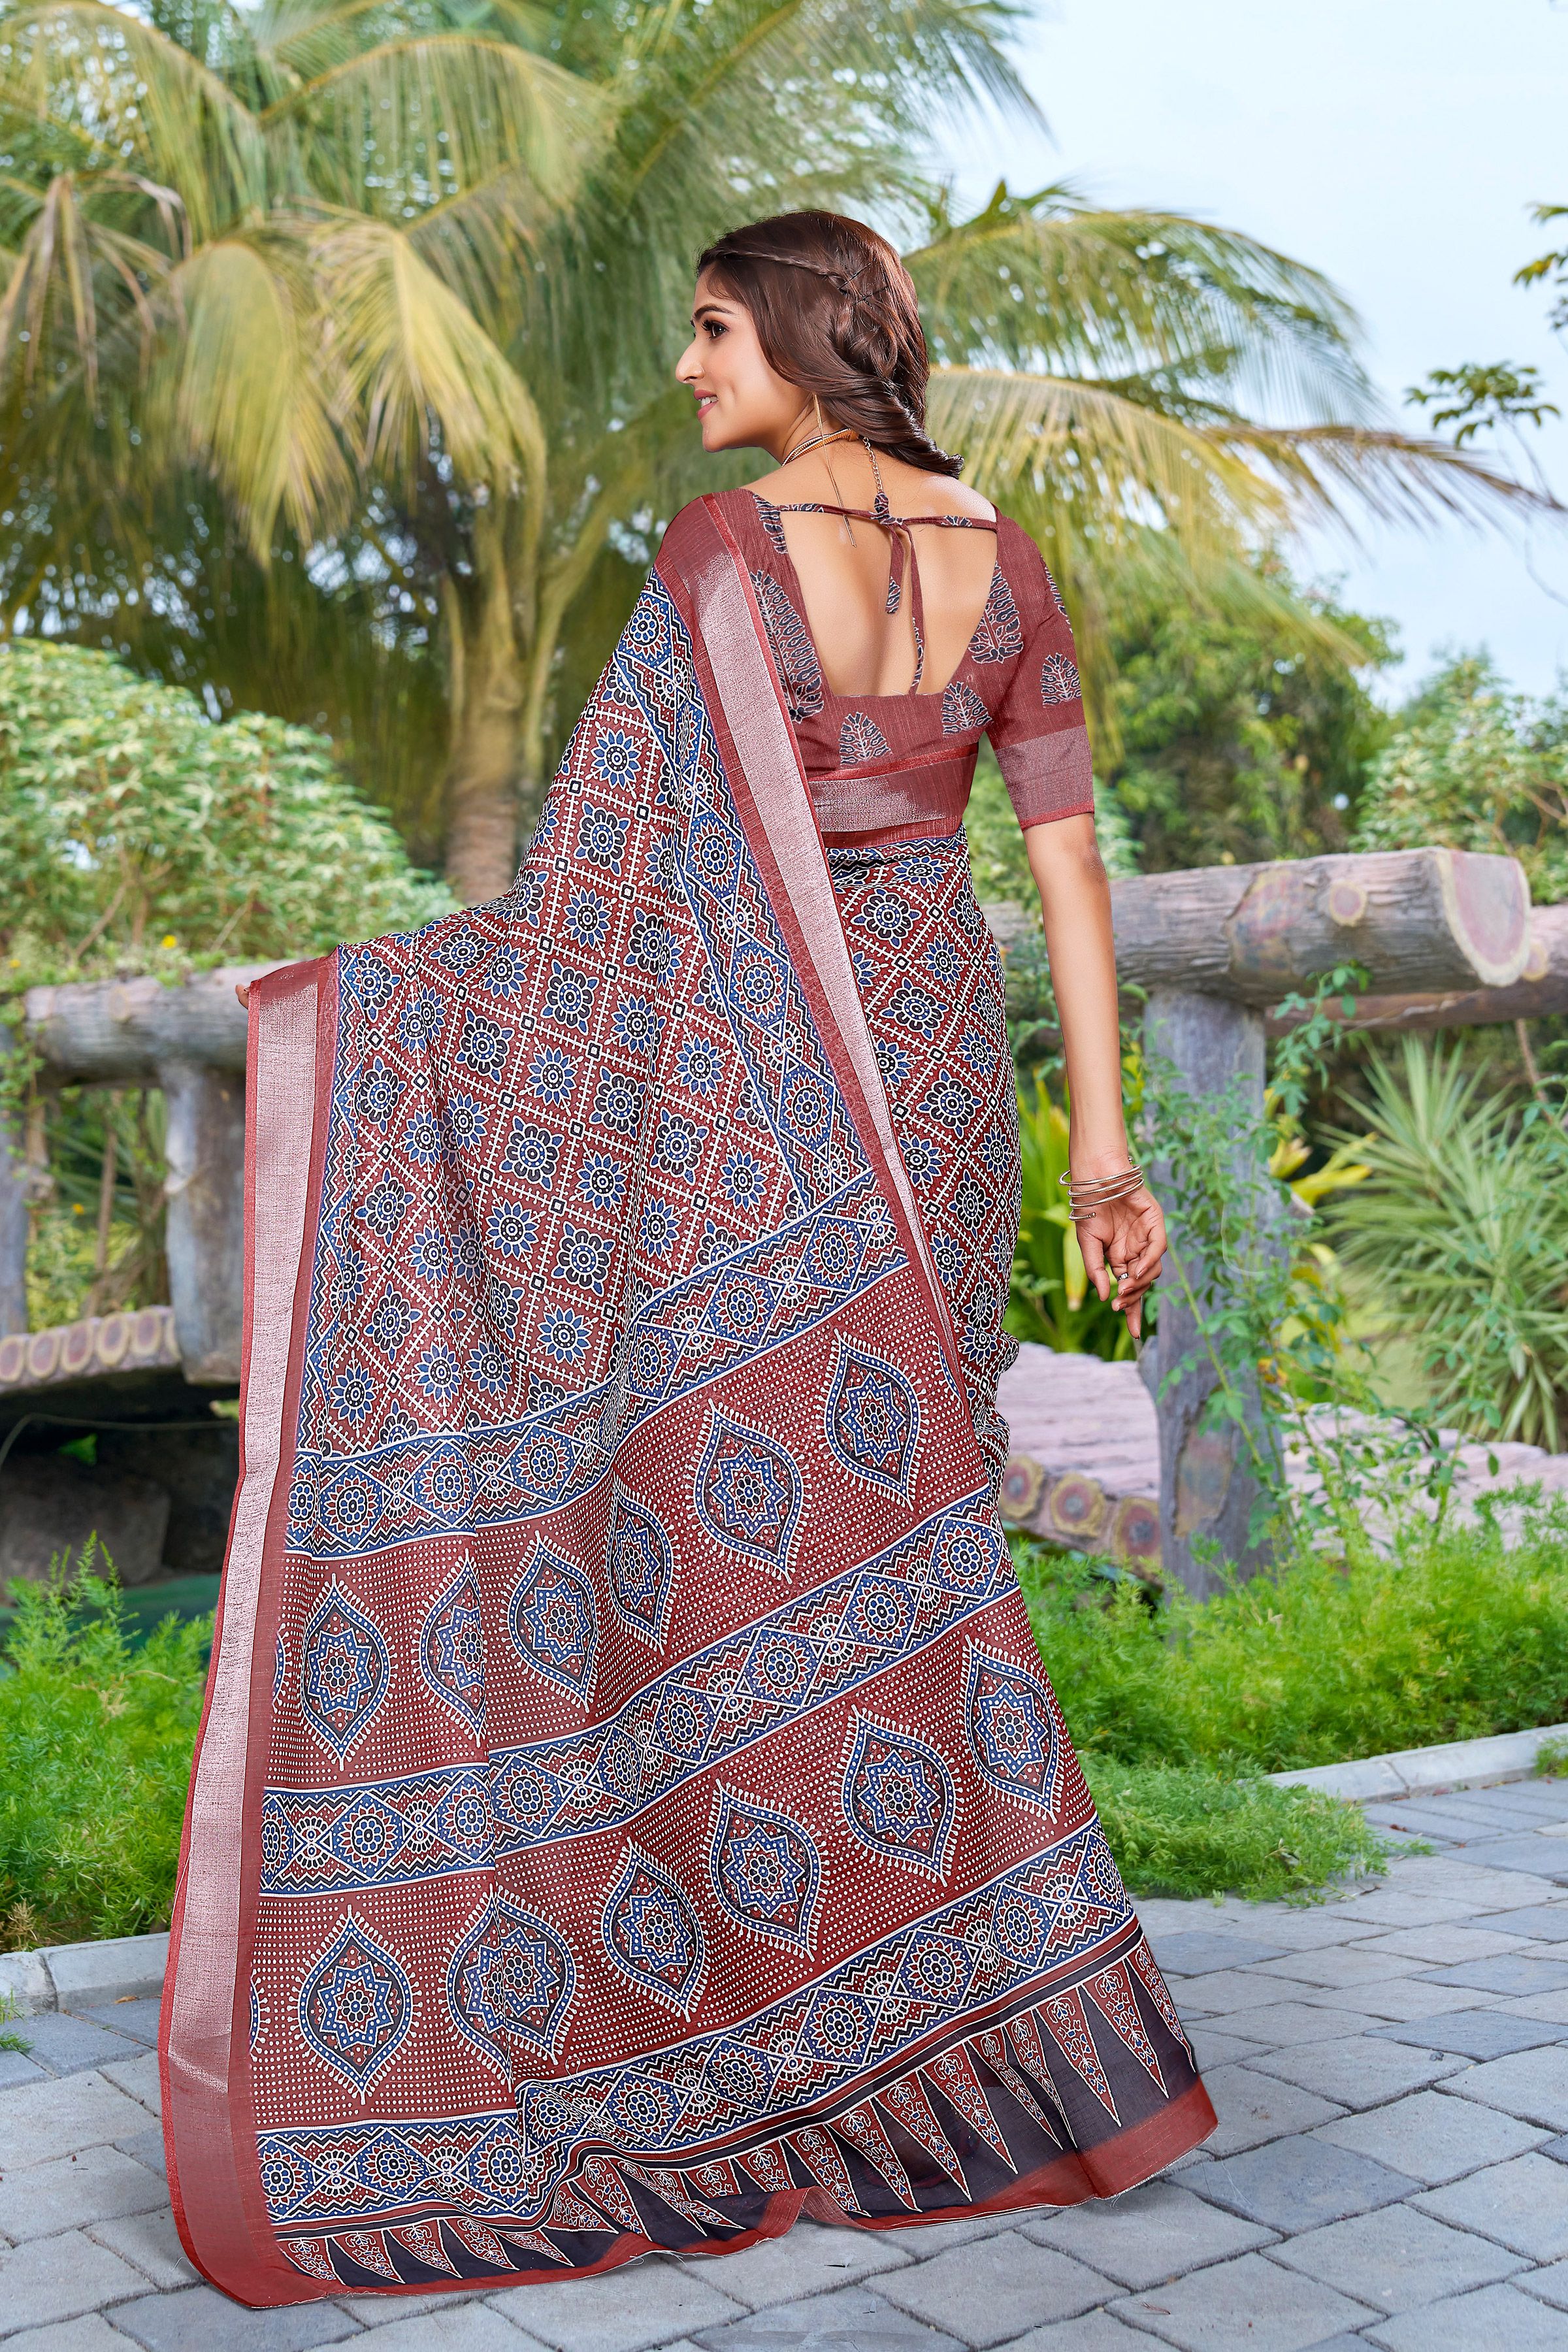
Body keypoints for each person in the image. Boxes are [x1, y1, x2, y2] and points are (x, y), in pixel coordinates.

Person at [165, 210, 1214, 2310]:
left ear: (806, 336)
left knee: (734, 1545)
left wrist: (367, 1013)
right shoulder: (1006, 564)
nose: (690, 367)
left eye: (716, 329)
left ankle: (776, 2014)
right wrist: (1102, 1149)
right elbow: (1070, 871)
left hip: (751, 1087)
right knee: (903, 1523)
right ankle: (945, 2028)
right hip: (932, 1067)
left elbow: (594, 898)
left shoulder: (728, 556)